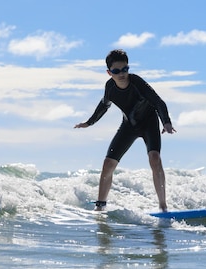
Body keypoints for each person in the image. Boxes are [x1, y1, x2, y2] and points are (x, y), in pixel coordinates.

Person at [74, 49, 176, 212]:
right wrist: (89, 123)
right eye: (116, 71)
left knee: (154, 158)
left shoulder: (137, 83)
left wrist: (166, 122)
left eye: (125, 69)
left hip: (149, 123)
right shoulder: (110, 88)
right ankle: (100, 206)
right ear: (109, 72)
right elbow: (104, 106)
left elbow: (157, 101)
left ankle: (163, 206)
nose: (122, 74)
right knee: (108, 164)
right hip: (129, 126)